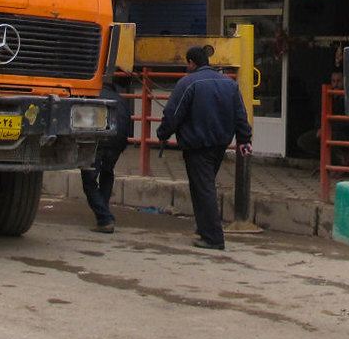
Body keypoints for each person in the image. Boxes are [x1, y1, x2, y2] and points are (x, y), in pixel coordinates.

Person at [154, 45, 252, 251]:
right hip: (220, 144)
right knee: (203, 187)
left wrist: (162, 134)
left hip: (197, 145)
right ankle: (203, 228)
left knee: (203, 189)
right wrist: (244, 139)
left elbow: (173, 114)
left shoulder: (188, 83)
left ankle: (213, 237)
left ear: (191, 63)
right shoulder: (229, 84)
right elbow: (240, 115)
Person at [81, 79, 132, 233]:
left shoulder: (93, 96)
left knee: (89, 180)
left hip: (97, 141)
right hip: (117, 143)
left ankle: (104, 218)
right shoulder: (121, 100)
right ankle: (103, 212)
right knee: (107, 173)